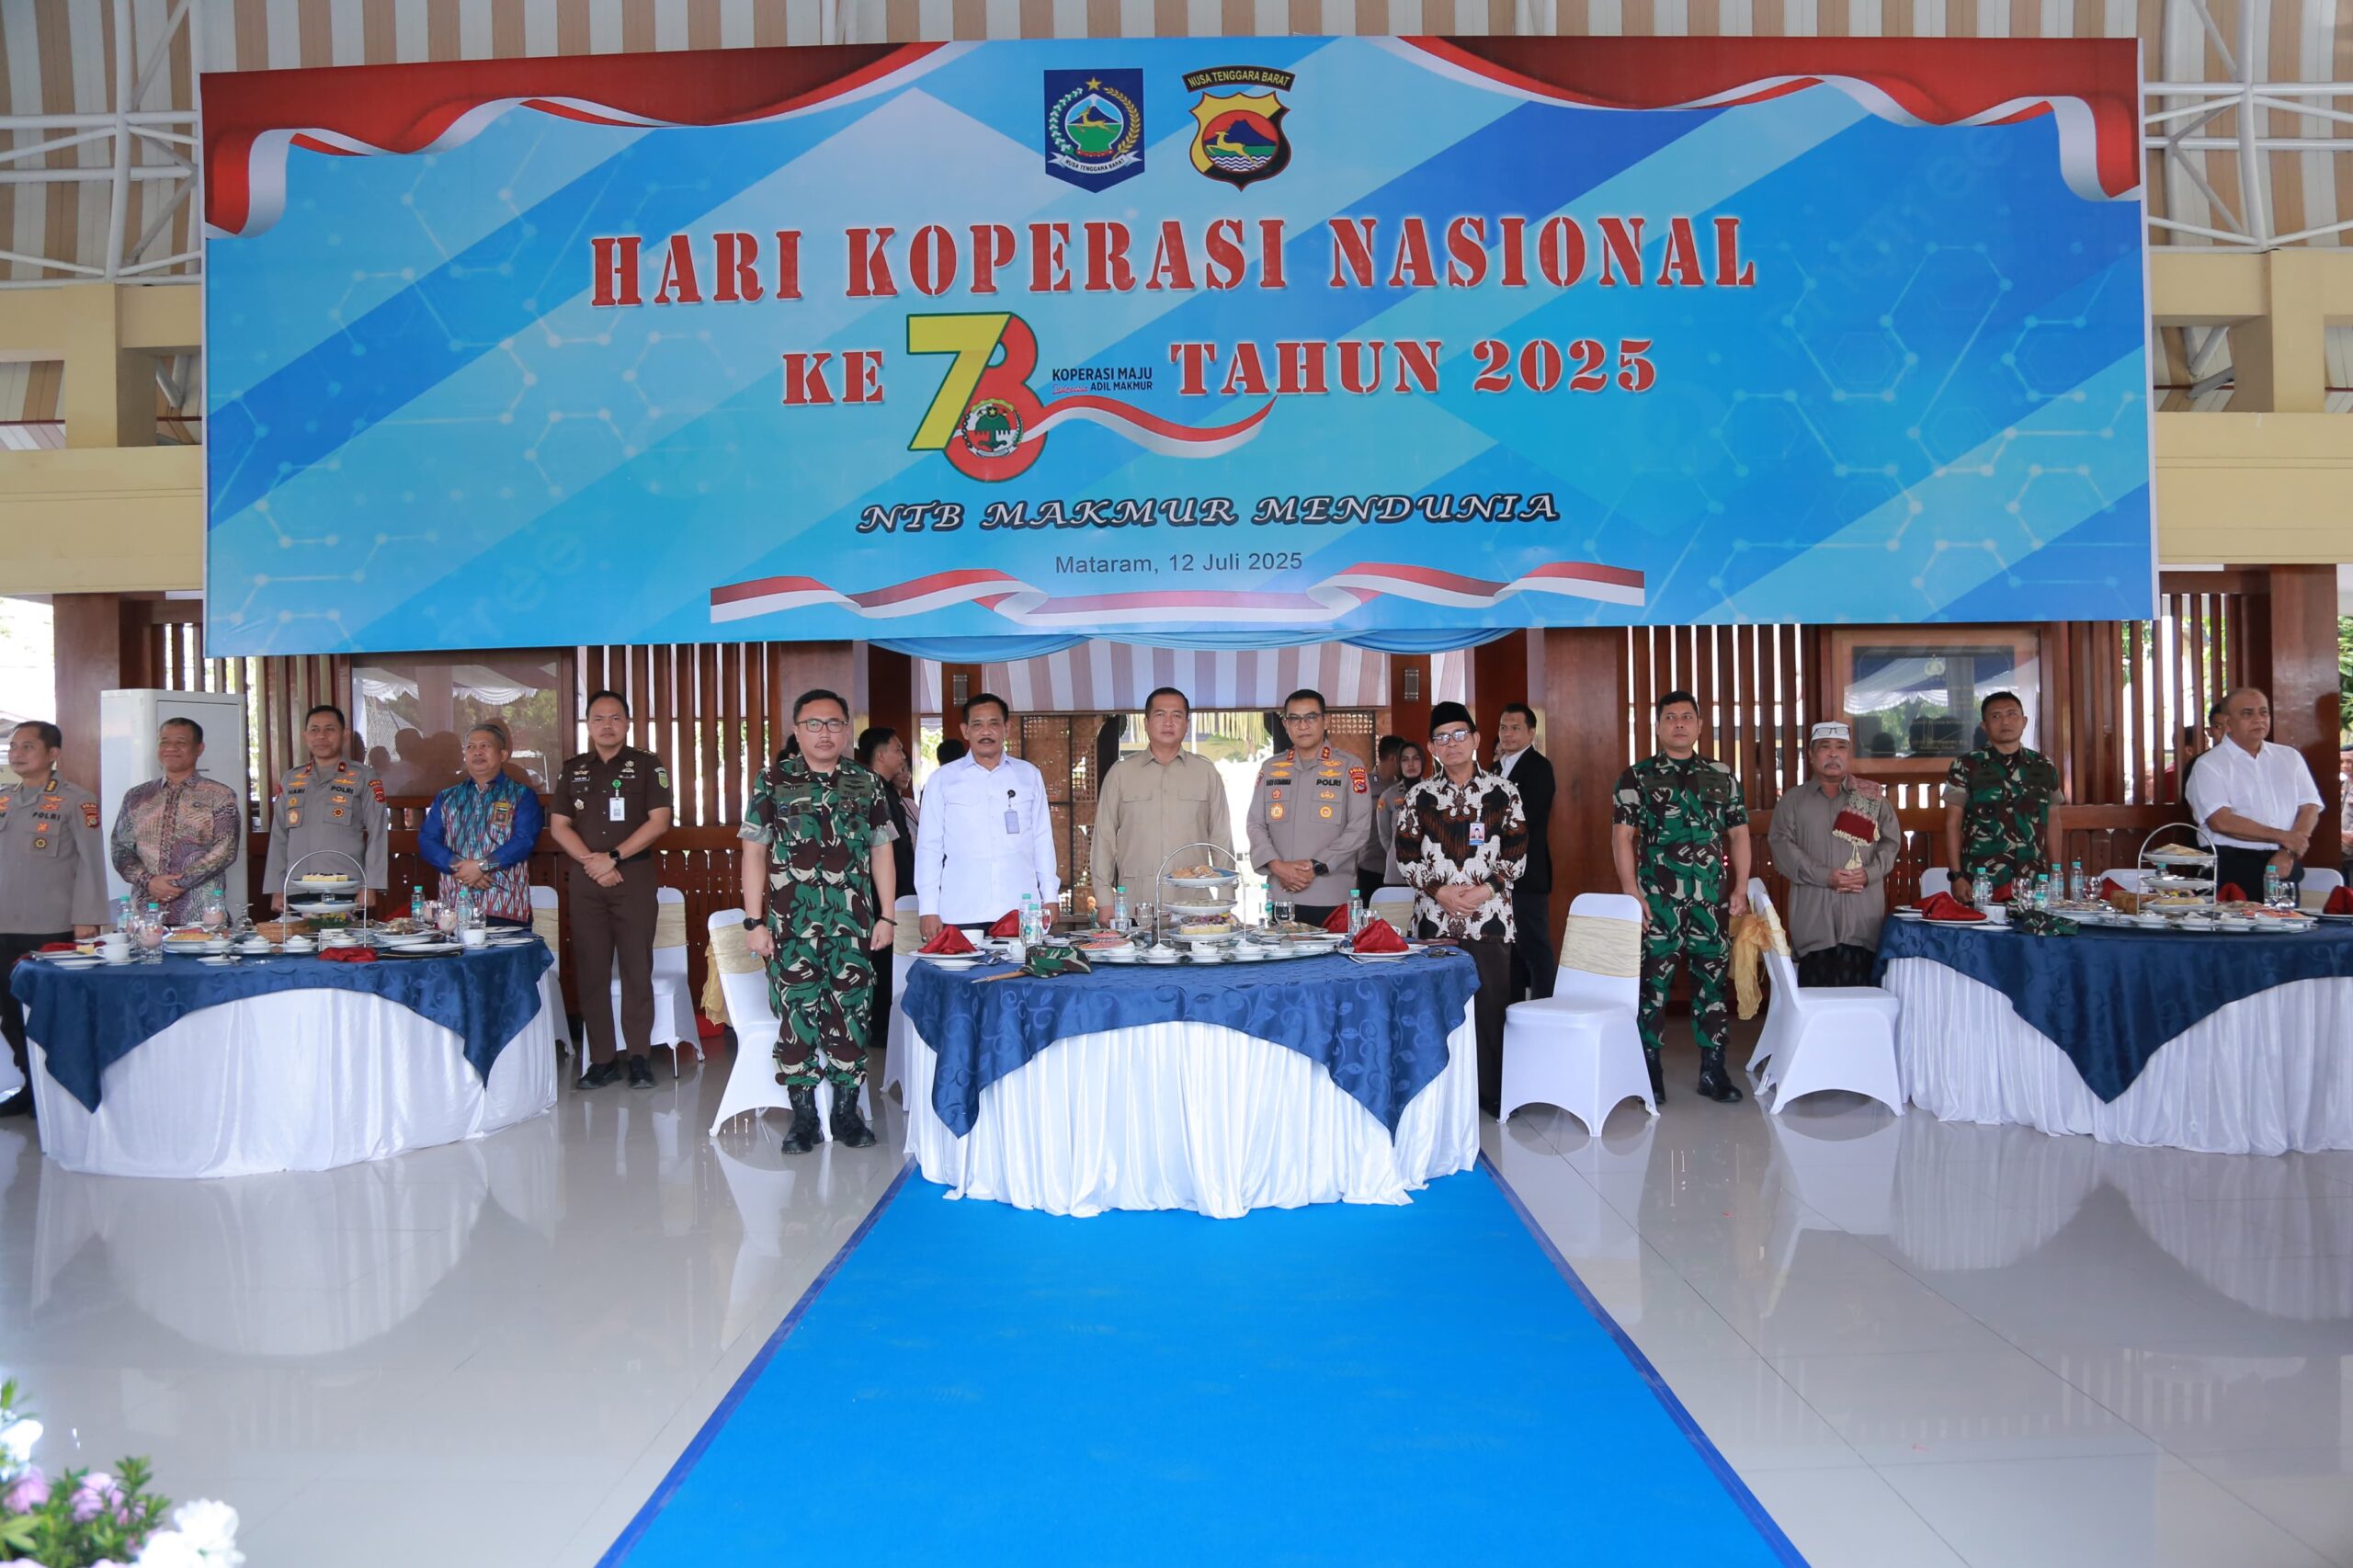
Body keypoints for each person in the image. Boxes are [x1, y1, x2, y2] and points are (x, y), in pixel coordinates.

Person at [741, 689, 897, 1153]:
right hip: (791, 929)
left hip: (853, 927)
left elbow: (882, 852)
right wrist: (754, 922)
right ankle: (803, 1117)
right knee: (796, 1020)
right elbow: (753, 852)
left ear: (847, 730)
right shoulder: (773, 780)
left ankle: (846, 1114)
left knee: (851, 1017)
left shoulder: (866, 783)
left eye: (833, 723)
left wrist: (887, 915)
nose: (824, 732)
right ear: (796, 730)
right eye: (813, 723)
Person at [1613, 690, 1751, 1105]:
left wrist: (1741, 886)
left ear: (1700, 726)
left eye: (1687, 716)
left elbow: (1738, 834)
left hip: (1710, 899)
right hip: (1658, 902)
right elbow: (1622, 836)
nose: (1679, 723)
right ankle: (1648, 1073)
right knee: (1652, 987)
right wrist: (1630, 891)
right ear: (1657, 727)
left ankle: (1714, 1071)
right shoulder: (1637, 777)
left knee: (1712, 986)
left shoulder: (1722, 775)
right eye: (1670, 717)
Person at [1394, 701, 1526, 1119]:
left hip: (1490, 921)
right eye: (1442, 738)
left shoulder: (1504, 792)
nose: (1451, 744)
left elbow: (1517, 853)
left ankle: (1491, 1092)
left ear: (1476, 739)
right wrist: (1441, 892)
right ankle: (1440, 1096)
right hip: (1434, 921)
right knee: (1436, 1011)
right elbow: (1406, 857)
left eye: (1459, 735)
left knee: (1489, 1009)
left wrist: (1483, 891)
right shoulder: (1419, 796)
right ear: (1433, 747)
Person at [549, 691, 675, 1092]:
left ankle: (639, 1057)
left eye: (615, 718)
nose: (607, 725)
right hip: (587, 879)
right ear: (588, 725)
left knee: (637, 967)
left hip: (633, 876)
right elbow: (559, 825)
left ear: (628, 723)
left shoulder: (648, 765)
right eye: (599, 718)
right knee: (591, 969)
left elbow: (660, 821)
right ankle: (602, 1060)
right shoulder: (573, 770)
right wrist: (594, 862)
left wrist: (614, 857)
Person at [0, 722, 107, 1118]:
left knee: (51, 1012)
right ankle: (30, 1087)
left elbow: (91, 863)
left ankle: (59, 1091)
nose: (17, 753)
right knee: (10, 1013)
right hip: (4, 923)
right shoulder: (4, 799)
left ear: (53, 754)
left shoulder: (76, 801)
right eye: (13, 746)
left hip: (51, 925)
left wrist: (87, 918)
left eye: (28, 746)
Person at [915, 693, 1057, 941]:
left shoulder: (1029, 775)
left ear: (1006, 729)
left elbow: (1042, 840)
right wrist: (928, 908)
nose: (986, 731)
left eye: (994, 723)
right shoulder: (942, 780)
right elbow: (929, 848)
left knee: (1021, 967)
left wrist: (1050, 896)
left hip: (1021, 910)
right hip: (961, 910)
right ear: (965, 731)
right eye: (977, 724)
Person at [1768, 722, 1901, 987]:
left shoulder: (1871, 799)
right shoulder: (1792, 801)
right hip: (1813, 921)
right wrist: (1824, 876)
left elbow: (1891, 843)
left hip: (1862, 919)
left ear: (1849, 754)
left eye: (1841, 747)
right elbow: (1781, 847)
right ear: (1811, 754)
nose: (1833, 754)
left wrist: (1869, 874)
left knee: (1861, 998)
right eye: (1824, 747)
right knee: (1817, 1000)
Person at [1091, 687, 1232, 905]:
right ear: (1146, 723)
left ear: (1187, 724)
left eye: (1176, 716)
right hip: (1136, 903)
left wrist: (1226, 898)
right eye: (1160, 715)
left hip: (1193, 903)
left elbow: (1221, 837)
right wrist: (1104, 899)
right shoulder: (1120, 773)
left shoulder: (1206, 773)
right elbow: (1104, 838)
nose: (1168, 722)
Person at [1246, 689, 1373, 927]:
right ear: (1285, 724)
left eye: (1311, 717)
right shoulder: (1271, 768)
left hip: (1331, 897)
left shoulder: (1349, 767)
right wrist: (1277, 866)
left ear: (1326, 721)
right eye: (1294, 718)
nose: (1303, 725)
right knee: (1282, 952)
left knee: (1333, 954)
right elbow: (1255, 824)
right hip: (1282, 897)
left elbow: (1359, 828)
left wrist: (1316, 866)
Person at [2186, 686, 2323, 897]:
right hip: (2232, 864)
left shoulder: (2289, 757)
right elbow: (2221, 821)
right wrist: (2284, 838)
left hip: (2283, 862)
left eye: (2264, 712)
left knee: (2283, 918)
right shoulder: (2209, 764)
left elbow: (2310, 806)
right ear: (2228, 722)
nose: (2259, 719)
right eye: (2247, 713)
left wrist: (2287, 850)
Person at [109, 718, 242, 926]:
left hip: (202, 914)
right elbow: (120, 849)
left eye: (181, 742)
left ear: (199, 749)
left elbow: (225, 850)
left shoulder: (220, 795)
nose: (171, 748)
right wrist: (149, 881)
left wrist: (175, 884)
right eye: (164, 742)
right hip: (146, 916)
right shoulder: (136, 796)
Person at [263, 705, 390, 911]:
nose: (321, 736)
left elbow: (378, 834)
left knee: (342, 934)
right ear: (305, 736)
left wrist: (372, 885)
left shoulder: (363, 776)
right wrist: (277, 888)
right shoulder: (291, 779)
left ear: (345, 734)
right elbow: (279, 836)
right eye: (314, 730)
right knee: (299, 934)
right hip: (297, 887)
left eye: (329, 729)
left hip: (346, 886)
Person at [419, 722, 543, 925]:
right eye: (471, 747)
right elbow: (427, 840)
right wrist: (460, 867)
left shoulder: (521, 795)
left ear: (503, 755)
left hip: (504, 904)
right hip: (455, 906)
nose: (477, 752)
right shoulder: (447, 798)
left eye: (485, 746)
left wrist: (481, 866)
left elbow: (524, 840)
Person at [1944, 691, 2063, 901]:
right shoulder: (1965, 766)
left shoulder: (2044, 766)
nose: (2005, 722)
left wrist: (2056, 871)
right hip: (1981, 879)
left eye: (2011, 714)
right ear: (1984, 725)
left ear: (2024, 721)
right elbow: (1953, 823)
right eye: (1996, 716)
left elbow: (2053, 819)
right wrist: (1956, 876)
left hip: (2034, 879)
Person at [856, 724, 917, 1061]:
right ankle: (880, 1027)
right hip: (881, 897)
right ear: (881, 755)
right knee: (882, 962)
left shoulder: (889, 791)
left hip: (898, 892)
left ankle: (886, 1024)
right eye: (898, 749)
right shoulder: (870, 791)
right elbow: (880, 852)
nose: (902, 755)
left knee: (890, 961)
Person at [1493, 702, 1557, 1001]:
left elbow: (1524, 819)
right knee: (1508, 953)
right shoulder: (1495, 768)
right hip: (1496, 877)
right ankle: (1513, 1013)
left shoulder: (1539, 768)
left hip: (1527, 876)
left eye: (1515, 728)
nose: (1507, 733)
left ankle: (1545, 1012)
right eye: (1503, 727)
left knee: (1535, 949)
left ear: (1531, 732)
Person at [1356, 736, 1408, 901]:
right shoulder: (1364, 785)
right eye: (1403, 758)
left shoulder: (1402, 789)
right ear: (1394, 758)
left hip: (1396, 869)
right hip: (1371, 865)